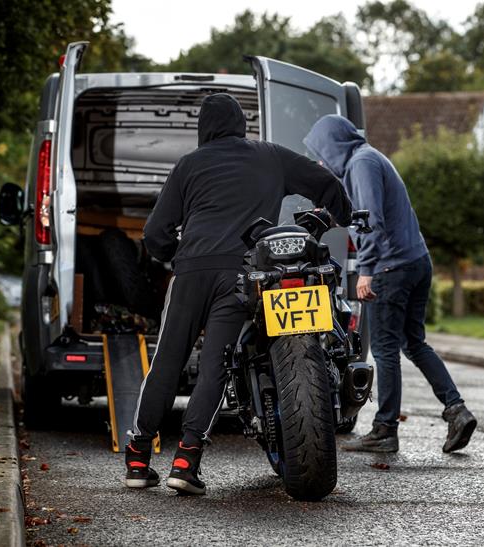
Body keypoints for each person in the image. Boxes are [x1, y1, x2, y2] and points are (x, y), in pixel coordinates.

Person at [124, 94, 352, 495]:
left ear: (203, 128)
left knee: (167, 360)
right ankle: (185, 461)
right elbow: (327, 184)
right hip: (241, 274)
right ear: (240, 125)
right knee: (216, 365)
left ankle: (139, 460)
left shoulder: (188, 166)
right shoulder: (270, 156)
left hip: (191, 270)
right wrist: (342, 216)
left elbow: (154, 233)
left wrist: (173, 256)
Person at [303, 115, 477, 454]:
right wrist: (329, 214)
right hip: (414, 261)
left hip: (389, 267)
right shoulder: (368, 158)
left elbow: (372, 221)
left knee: (384, 349)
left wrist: (365, 270)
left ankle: (385, 429)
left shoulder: (361, 163)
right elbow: (361, 214)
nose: (321, 160)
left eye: (321, 151)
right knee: (413, 343)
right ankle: (456, 410)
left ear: (334, 143)